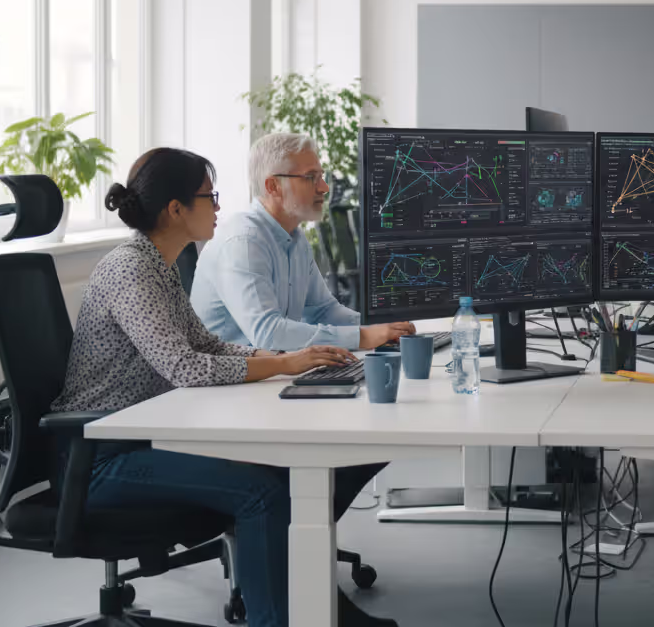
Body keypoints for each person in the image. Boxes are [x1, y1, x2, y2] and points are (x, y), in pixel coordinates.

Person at [51, 147, 397, 627]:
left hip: (145, 434)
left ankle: (319, 609)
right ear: (176, 209)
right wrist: (280, 363)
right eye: (209, 197)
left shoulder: (160, 264)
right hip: (102, 456)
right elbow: (185, 367)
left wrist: (276, 360)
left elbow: (206, 343)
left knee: (282, 477)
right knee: (262, 493)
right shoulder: (131, 269)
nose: (218, 206)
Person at [192, 133, 414, 351]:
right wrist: (363, 336)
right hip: (226, 382)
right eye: (311, 177)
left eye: (321, 176)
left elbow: (322, 311)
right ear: (273, 186)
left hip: (271, 372)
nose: (324, 188)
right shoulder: (244, 241)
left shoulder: (295, 238)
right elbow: (268, 334)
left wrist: (384, 329)